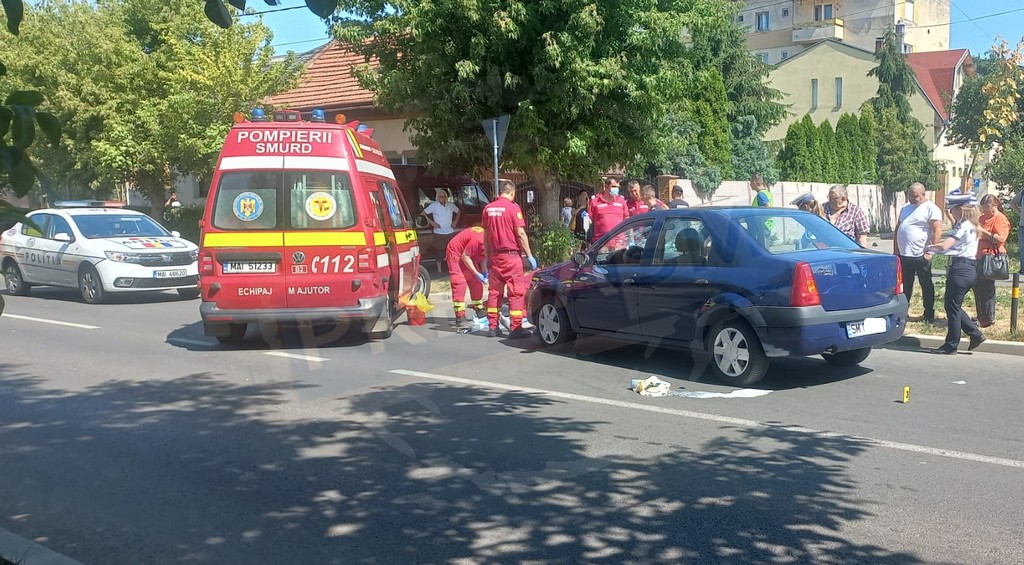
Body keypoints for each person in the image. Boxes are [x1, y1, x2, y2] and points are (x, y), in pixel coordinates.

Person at [925, 192, 986, 354]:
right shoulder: (973, 225)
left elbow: (945, 246)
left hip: (960, 270)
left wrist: (928, 248)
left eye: (953, 209)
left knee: (951, 307)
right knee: (953, 306)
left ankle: (951, 345)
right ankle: (975, 334)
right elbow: (954, 248)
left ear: (961, 209)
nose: (950, 213)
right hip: (970, 268)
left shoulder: (962, 226)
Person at [479, 179, 536, 339]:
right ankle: (516, 327)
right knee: (516, 293)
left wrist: (488, 257)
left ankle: (492, 327)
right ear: (512, 192)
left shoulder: (487, 209)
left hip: (496, 257)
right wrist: (530, 256)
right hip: (511, 257)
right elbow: (520, 233)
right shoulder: (513, 208)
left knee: (494, 293)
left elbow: (486, 236)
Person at [894, 182, 943, 324]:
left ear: (923, 195)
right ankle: (903, 311)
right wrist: (896, 249)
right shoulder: (905, 207)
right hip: (905, 254)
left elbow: (937, 230)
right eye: (910, 195)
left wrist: (931, 250)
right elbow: (898, 228)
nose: (912, 198)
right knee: (905, 284)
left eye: (915, 196)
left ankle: (928, 313)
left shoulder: (931, 208)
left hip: (921, 254)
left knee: (926, 284)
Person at [972, 193, 1011, 328]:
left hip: (992, 257)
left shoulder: (1000, 219)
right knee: (977, 287)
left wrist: (983, 233)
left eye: (987, 209)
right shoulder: (981, 218)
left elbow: (1001, 238)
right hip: (979, 256)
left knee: (987, 288)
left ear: (994, 206)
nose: (985, 212)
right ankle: (981, 315)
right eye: (983, 209)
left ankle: (988, 318)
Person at [445, 226, 487, 329]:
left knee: (476, 283)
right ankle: (460, 317)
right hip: (455, 251)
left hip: (468, 254)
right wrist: (477, 273)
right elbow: (465, 256)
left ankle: (479, 309)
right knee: (459, 282)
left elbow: (484, 256)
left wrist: (485, 272)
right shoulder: (478, 240)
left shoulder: (491, 242)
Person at [588, 177, 628, 242]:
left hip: (619, 243)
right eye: (614, 186)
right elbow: (589, 219)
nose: (616, 189)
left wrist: (630, 239)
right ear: (606, 186)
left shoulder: (621, 200)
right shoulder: (595, 201)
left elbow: (627, 219)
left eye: (618, 187)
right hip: (601, 243)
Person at [1013, 190, 1024, 274]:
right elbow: (1012, 203)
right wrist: (1020, 214)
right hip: (1022, 225)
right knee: (1022, 248)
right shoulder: (1023, 192)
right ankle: (1023, 269)